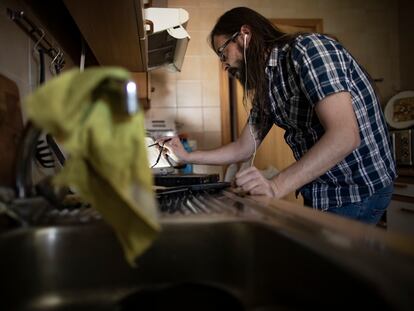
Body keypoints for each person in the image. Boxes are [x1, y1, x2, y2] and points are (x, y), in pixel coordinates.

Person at [159, 7, 396, 224]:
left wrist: (274, 186)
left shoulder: (309, 49)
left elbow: (345, 136)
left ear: (245, 34)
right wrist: (188, 156)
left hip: (357, 187)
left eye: (223, 53)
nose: (224, 65)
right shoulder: (267, 83)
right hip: (322, 190)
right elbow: (243, 148)